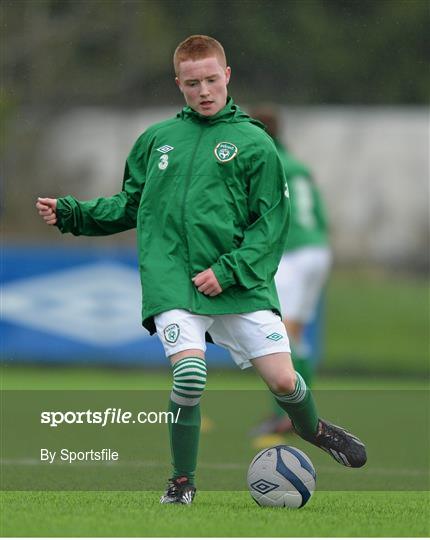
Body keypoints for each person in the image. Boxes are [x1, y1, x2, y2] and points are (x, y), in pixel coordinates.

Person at [36, 35, 366, 505]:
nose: (205, 90)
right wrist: (73, 214)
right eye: (193, 83)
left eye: (212, 79)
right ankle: (182, 483)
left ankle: (312, 428)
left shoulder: (255, 144)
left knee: (284, 382)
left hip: (238, 283)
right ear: (179, 84)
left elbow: (270, 226)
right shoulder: (156, 141)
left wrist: (227, 271)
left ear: (227, 76)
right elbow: (130, 205)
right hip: (172, 280)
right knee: (189, 377)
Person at [249, 105, 332, 441]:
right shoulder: (298, 165)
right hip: (319, 249)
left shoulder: (267, 161)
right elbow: (321, 214)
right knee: (295, 335)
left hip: (294, 253)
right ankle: (299, 410)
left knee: (279, 336)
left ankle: (288, 415)